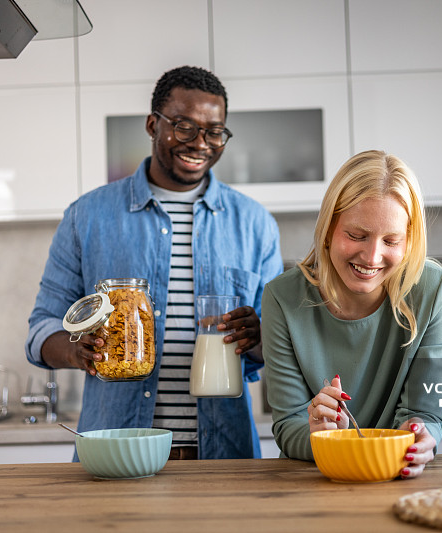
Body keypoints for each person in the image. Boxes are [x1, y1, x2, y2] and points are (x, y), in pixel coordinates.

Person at [26, 66, 282, 460]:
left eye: (214, 132)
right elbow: (41, 329)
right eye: (183, 127)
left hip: (224, 455)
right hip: (116, 450)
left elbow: (282, 346)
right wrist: (78, 349)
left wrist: (260, 336)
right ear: (152, 124)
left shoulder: (255, 223)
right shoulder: (87, 216)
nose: (200, 143)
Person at [261, 149, 442, 478]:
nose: (372, 256)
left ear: (409, 241)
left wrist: (420, 434)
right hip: (314, 484)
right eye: (356, 235)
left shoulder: (433, 290)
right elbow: (287, 425)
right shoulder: (282, 298)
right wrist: (318, 434)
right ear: (328, 228)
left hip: (397, 477)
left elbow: (426, 415)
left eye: (391, 240)